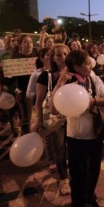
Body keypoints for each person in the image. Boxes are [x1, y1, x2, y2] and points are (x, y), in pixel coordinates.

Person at [51, 50, 104, 207]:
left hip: (96, 133)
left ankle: (89, 197)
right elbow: (54, 109)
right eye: (86, 63)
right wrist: (60, 83)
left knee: (94, 171)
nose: (90, 65)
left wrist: (91, 101)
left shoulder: (93, 78)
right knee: (78, 176)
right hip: (76, 136)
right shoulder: (68, 82)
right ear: (76, 66)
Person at [32, 44, 71, 196]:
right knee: (60, 150)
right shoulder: (45, 76)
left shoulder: (75, 73)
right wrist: (38, 120)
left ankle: (73, 175)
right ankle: (63, 179)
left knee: (73, 149)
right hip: (55, 120)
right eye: (59, 55)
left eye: (65, 54)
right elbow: (38, 101)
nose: (62, 57)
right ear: (53, 58)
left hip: (73, 118)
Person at [11, 35, 37, 135]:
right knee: (26, 118)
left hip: (37, 90)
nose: (29, 44)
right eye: (25, 42)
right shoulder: (16, 58)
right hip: (23, 90)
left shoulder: (36, 55)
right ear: (20, 44)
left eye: (30, 42)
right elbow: (10, 78)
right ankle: (25, 140)